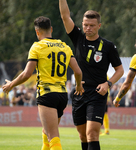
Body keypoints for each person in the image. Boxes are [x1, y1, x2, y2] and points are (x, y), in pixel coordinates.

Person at [3, 16, 84, 150]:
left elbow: (27, 74)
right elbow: (78, 72)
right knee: (46, 131)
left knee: (53, 135)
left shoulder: (37, 47)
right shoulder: (64, 46)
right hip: (62, 95)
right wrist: (79, 85)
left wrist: (11, 84)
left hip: (47, 94)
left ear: (37, 32)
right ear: (51, 29)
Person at [59, 1, 124, 150]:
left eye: (92, 25)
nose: (88, 28)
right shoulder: (78, 38)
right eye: (85, 25)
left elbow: (119, 70)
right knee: (83, 136)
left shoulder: (108, 46)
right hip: (79, 93)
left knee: (92, 134)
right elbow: (65, 16)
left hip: (97, 94)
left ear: (99, 26)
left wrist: (108, 84)